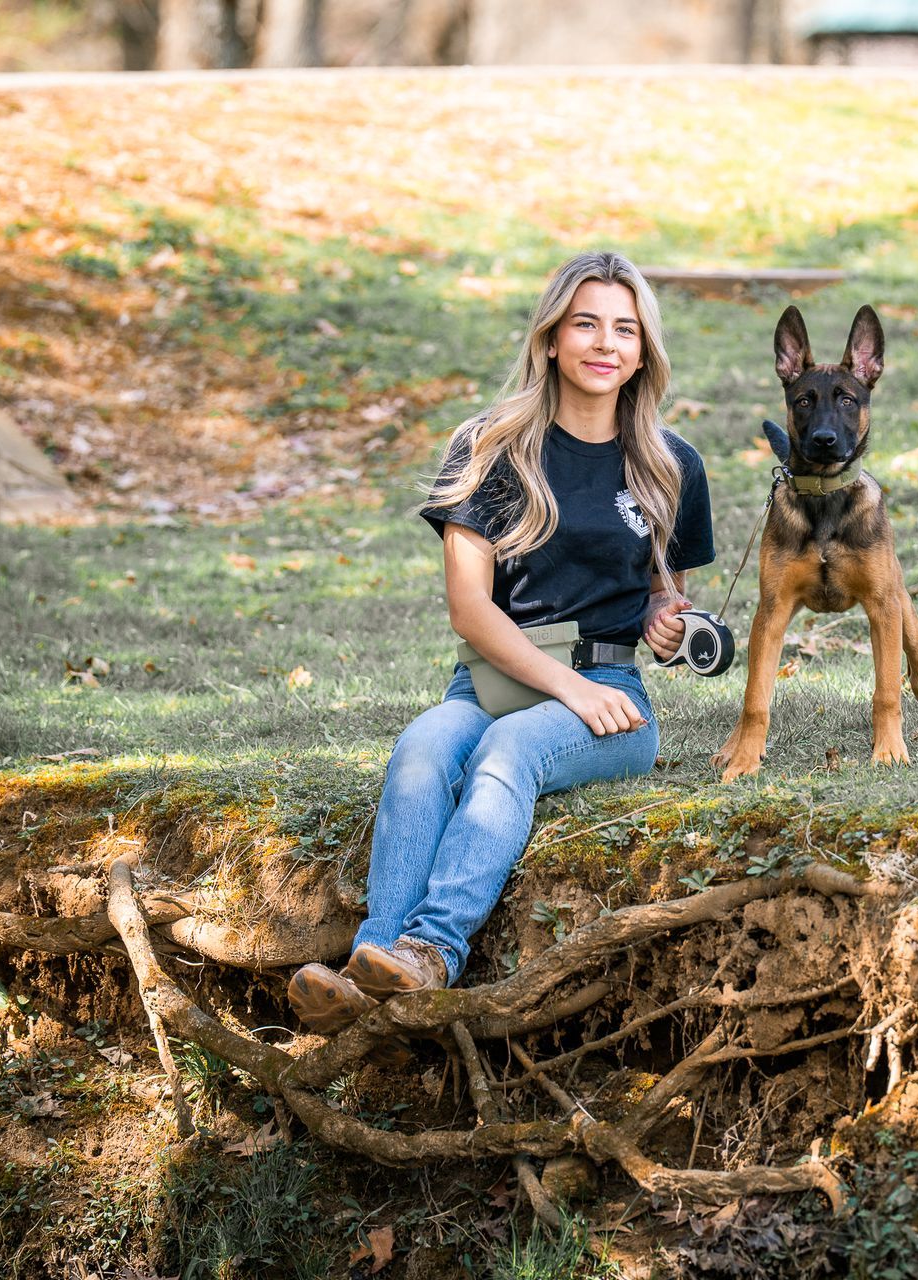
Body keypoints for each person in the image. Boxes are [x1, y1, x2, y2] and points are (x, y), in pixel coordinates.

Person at [287, 251, 713, 1033]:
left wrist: (669, 621)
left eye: (625, 329)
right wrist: (567, 687)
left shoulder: (670, 462)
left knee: (509, 751)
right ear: (550, 338)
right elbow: (470, 610)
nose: (605, 343)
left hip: (613, 697)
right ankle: (370, 961)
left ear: (643, 351)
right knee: (424, 745)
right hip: (491, 680)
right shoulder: (491, 445)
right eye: (585, 324)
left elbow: (668, 597)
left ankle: (432, 950)